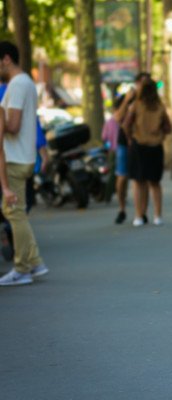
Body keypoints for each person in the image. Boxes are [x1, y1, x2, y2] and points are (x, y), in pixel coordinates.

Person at [0, 41, 48, 286]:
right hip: (24, 156)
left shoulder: (17, 85)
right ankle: (35, 262)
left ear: (6, 59)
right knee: (16, 213)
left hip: (15, 157)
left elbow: (13, 125)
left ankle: (23, 268)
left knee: (14, 213)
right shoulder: (25, 82)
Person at [123, 79, 171, 227]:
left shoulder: (136, 106)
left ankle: (139, 215)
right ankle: (158, 216)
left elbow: (126, 124)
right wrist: (160, 135)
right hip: (155, 146)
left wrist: (130, 138)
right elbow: (168, 127)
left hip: (139, 146)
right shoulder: (160, 106)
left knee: (139, 182)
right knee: (155, 183)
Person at [113, 72, 151, 224]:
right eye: (142, 83)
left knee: (143, 179)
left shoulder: (149, 100)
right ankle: (121, 208)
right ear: (136, 83)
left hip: (143, 143)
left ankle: (142, 212)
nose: (144, 86)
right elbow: (117, 118)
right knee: (122, 177)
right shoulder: (126, 98)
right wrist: (127, 100)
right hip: (124, 143)